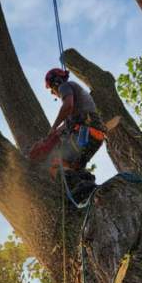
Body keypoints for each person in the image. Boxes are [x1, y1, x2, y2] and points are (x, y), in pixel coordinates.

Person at [29, 67, 106, 199]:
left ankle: (80, 190)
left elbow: (67, 106)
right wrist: (50, 136)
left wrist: (53, 126)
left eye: (52, 89)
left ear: (56, 82)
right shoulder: (78, 101)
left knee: (56, 163)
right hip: (95, 136)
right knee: (75, 168)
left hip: (84, 133)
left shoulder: (65, 86)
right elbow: (64, 127)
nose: (53, 93)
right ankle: (88, 192)